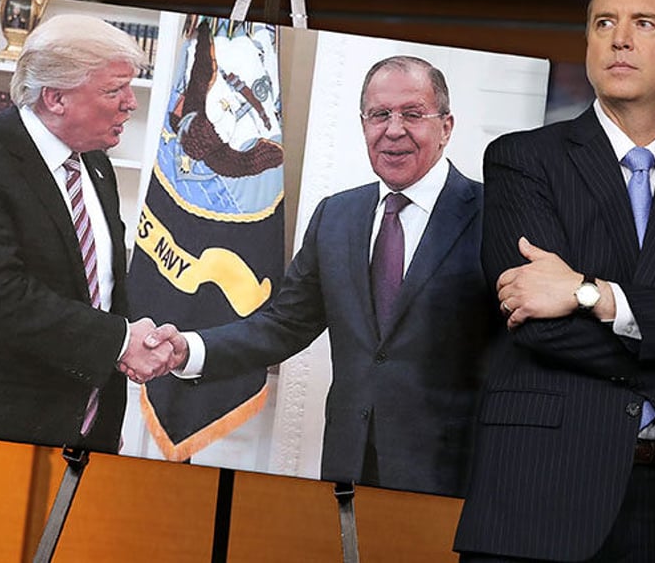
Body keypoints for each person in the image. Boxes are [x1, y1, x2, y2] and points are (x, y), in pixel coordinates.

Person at [454, 0, 655, 562]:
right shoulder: (521, 161)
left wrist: (593, 294)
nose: (620, 38)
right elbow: (540, 326)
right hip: (539, 488)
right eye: (603, 22)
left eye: (644, 22)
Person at [141, 55, 496, 497]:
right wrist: (187, 350)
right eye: (379, 115)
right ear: (363, 123)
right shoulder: (336, 215)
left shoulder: (494, 216)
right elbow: (284, 325)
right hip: (348, 466)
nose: (394, 129)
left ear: (446, 126)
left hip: (454, 474)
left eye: (412, 114)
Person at [0, 14, 182, 454]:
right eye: (114, 90)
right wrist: (119, 342)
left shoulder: (95, 164)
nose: (131, 103)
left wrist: (108, 405)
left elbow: (102, 289)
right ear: (55, 98)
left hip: (88, 429)